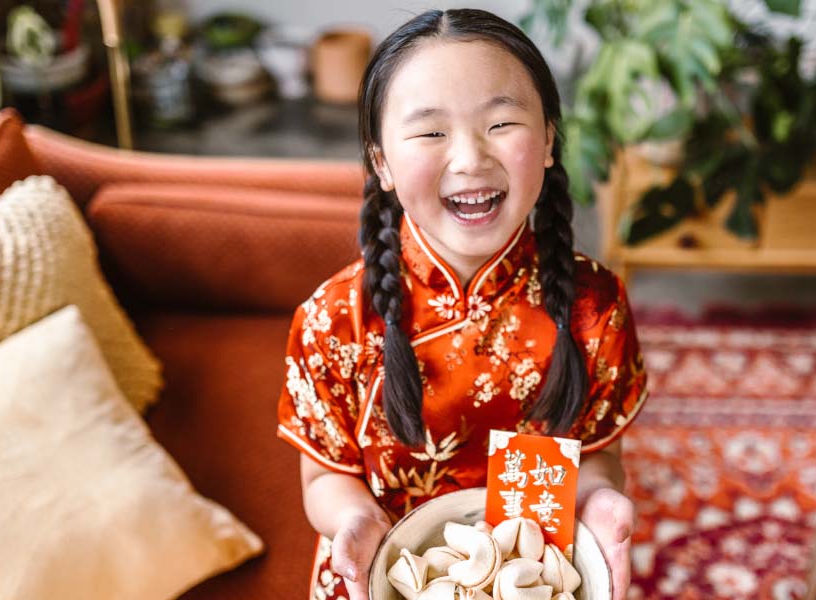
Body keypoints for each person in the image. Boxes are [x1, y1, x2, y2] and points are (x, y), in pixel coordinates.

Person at [276, 8, 648, 599]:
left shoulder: (595, 307)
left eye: (501, 123)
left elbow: (599, 455)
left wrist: (600, 503)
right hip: (384, 575)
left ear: (548, 140)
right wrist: (354, 521)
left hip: (537, 576)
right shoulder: (333, 321)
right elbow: (325, 476)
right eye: (431, 132)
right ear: (381, 162)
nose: (471, 158)